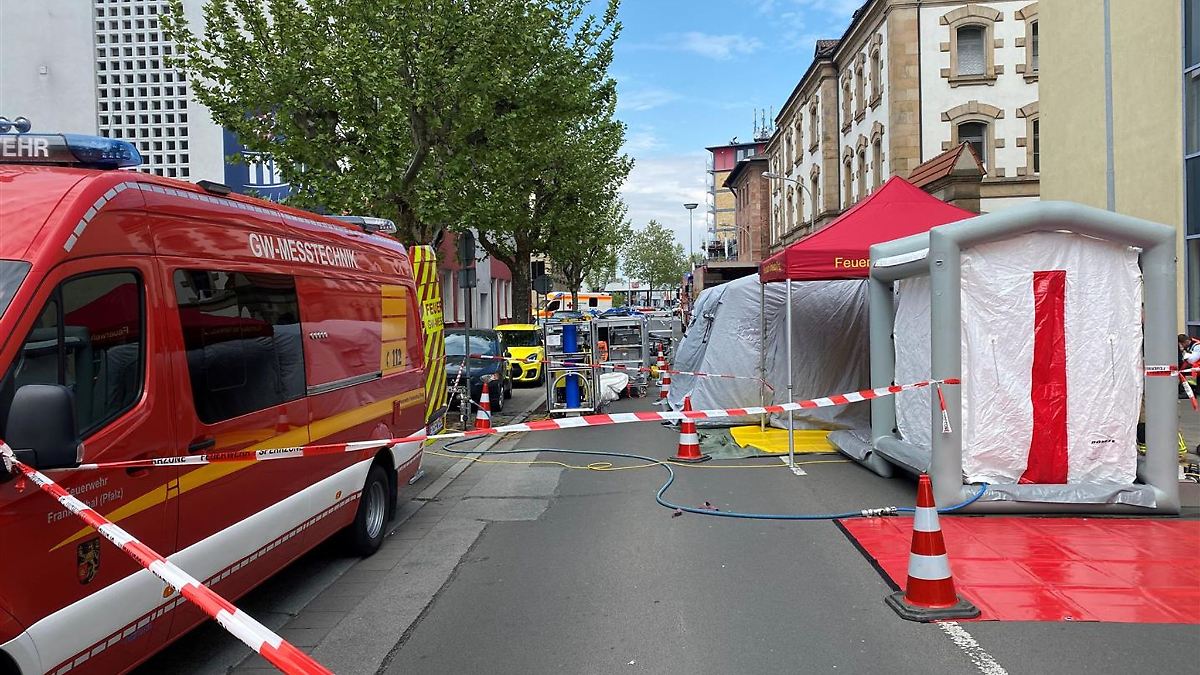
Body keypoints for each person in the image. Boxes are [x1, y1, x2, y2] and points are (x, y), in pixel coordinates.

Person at [1178, 334, 1200, 398]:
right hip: (1196, 368)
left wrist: (1183, 352)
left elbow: (1192, 360)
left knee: (1186, 369)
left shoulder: (1197, 346)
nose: (1181, 346)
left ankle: (1188, 391)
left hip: (1196, 368)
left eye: (1182, 344)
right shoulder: (1190, 346)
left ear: (1186, 341)